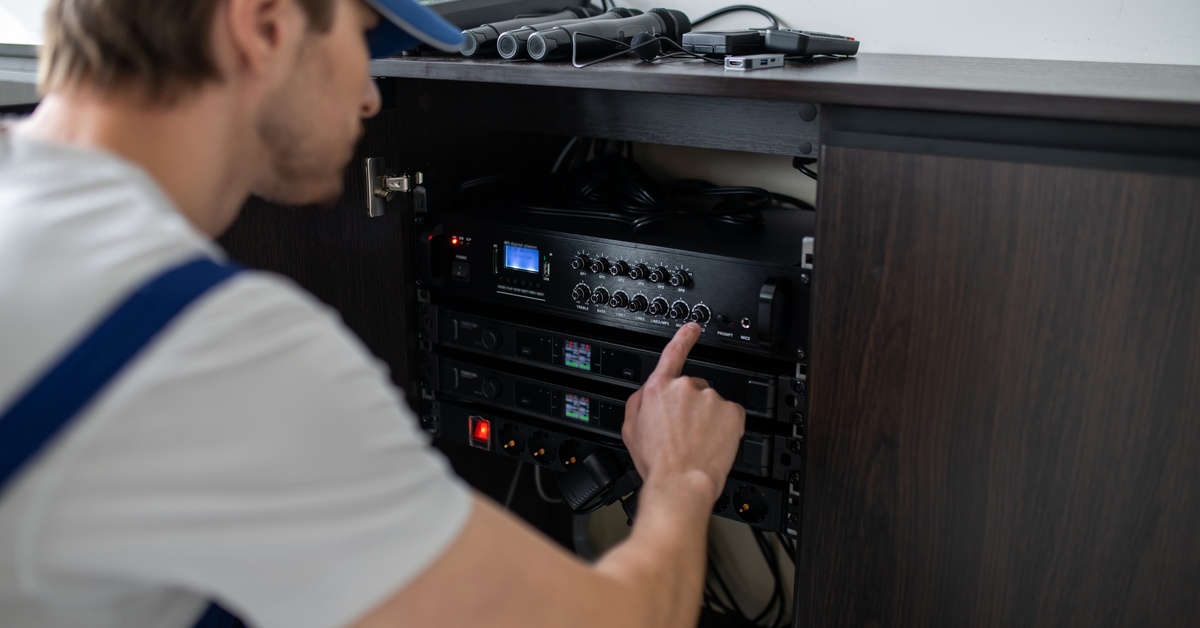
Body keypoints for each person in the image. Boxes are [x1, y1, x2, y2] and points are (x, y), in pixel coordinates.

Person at [0, 0, 746, 626]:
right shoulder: (215, 352)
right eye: (362, 41)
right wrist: (680, 475)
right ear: (264, 26)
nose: (371, 96)